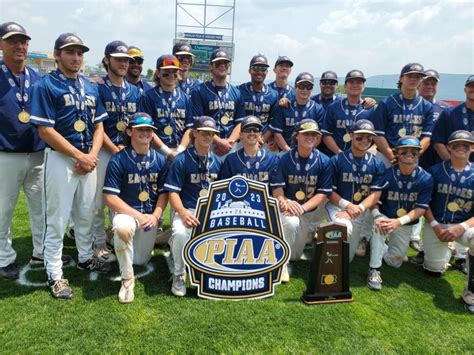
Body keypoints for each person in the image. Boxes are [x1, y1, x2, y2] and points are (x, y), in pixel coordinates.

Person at [30, 32, 111, 300]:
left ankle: (85, 257)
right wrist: (80, 156)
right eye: (69, 52)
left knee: (86, 214)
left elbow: (99, 125)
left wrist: (91, 156)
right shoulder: (46, 85)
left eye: (79, 53)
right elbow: (45, 131)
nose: (76, 57)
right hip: (61, 160)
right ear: (57, 55)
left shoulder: (90, 86)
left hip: (87, 160)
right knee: (58, 219)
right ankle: (54, 273)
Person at [103, 113, 168, 303]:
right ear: (130, 131)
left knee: (140, 260)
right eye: (140, 129)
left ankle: (161, 236)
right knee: (123, 229)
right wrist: (139, 216)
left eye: (149, 130)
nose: (145, 133)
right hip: (128, 214)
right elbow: (110, 198)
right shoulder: (118, 159)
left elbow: (164, 193)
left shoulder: (160, 160)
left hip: (150, 217)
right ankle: (127, 280)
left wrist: (156, 215)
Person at [0, 21, 45, 279]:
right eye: (12, 40)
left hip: (37, 154)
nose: (19, 46)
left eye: (23, 41)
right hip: (5, 155)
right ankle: (4, 258)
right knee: (3, 209)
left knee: (41, 207)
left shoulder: (37, 78)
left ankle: (41, 252)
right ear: (1, 44)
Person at [93, 40, 141, 263]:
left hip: (127, 153)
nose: (123, 63)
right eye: (119, 59)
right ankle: (98, 242)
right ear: (106, 60)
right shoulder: (97, 87)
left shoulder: (135, 91)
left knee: (122, 198)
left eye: (126, 60)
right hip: (105, 150)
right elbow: (96, 125)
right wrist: (113, 149)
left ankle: (116, 236)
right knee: (98, 201)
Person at [163, 116, 222, 296]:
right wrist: (182, 213)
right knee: (181, 233)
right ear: (194, 133)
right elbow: (172, 192)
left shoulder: (218, 161)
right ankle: (179, 275)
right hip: (186, 209)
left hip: (209, 211)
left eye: (211, 133)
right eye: (203, 132)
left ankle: (213, 271)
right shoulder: (181, 160)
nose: (207, 136)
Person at [368, 136, 433, 291]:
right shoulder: (386, 173)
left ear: (419, 153)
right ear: (396, 153)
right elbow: (374, 200)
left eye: (414, 151)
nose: (409, 154)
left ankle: (377, 245)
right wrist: (378, 216)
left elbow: (420, 209)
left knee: (395, 261)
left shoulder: (426, 178)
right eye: (404, 151)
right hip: (384, 216)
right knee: (380, 226)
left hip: (404, 222)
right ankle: (374, 269)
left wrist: (398, 222)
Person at [272, 119, 332, 280]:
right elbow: (277, 187)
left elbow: (322, 193)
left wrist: (303, 208)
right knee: (291, 224)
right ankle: (281, 264)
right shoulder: (283, 158)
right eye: (306, 134)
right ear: (296, 136)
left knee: (296, 255)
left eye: (314, 134)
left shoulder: (325, 161)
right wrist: (283, 201)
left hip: (307, 210)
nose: (310, 137)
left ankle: (289, 255)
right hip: (286, 209)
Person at [422, 130, 474, 313]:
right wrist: (435, 226)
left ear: (472, 148)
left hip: (463, 226)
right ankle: (448, 249)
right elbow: (423, 203)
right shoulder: (434, 171)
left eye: (466, 145)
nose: (461, 147)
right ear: (449, 147)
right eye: (456, 144)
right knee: (433, 270)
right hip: (436, 224)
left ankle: (471, 290)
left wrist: (461, 227)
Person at [326, 120, 386, 262]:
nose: (364, 140)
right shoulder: (336, 160)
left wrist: (357, 208)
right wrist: (348, 206)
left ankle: (376, 245)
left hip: (360, 209)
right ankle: (327, 253)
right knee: (343, 228)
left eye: (368, 137)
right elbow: (329, 191)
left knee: (348, 258)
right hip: (338, 207)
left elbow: (376, 194)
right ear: (351, 135)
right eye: (359, 136)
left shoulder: (377, 163)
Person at [371, 63, 434, 167]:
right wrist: (392, 156)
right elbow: (378, 134)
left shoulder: (427, 106)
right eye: (409, 76)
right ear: (401, 78)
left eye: (417, 77)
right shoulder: (387, 103)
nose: (413, 80)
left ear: (421, 80)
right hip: (387, 157)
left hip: (412, 157)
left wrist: (412, 157)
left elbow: (427, 138)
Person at [191, 49, 245, 159]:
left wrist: (229, 142)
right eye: (218, 63)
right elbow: (199, 123)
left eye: (225, 63)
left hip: (230, 145)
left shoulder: (237, 92)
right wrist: (220, 142)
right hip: (207, 144)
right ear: (210, 66)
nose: (222, 66)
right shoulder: (199, 91)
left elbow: (240, 123)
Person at [139, 54, 193, 160]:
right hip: (156, 151)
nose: (171, 75)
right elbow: (146, 129)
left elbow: (189, 128)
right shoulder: (148, 96)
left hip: (180, 151)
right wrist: (167, 152)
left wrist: (179, 151)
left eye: (175, 72)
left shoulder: (185, 98)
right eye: (166, 72)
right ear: (158, 73)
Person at [322, 69, 375, 157]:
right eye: (351, 82)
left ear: (363, 86)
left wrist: (360, 152)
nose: (355, 85)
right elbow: (326, 134)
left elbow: (374, 136)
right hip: (335, 156)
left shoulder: (369, 109)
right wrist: (340, 153)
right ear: (345, 86)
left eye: (358, 82)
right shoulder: (333, 107)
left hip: (359, 157)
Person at [270, 72, 324, 152]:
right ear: (295, 87)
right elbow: (277, 133)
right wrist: (289, 152)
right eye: (301, 86)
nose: (305, 90)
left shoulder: (318, 109)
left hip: (309, 152)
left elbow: (319, 135)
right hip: (285, 152)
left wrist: (306, 151)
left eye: (308, 87)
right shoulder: (284, 106)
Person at [432, 75, 474, 163]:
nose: (473, 89)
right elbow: (438, 142)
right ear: (465, 90)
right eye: (471, 86)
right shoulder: (449, 113)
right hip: (452, 168)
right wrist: (452, 164)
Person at [238, 54, 278, 142]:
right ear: (249, 70)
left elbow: (273, 121)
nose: (259, 72)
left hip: (262, 140)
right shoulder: (239, 91)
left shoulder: (273, 95)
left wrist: (262, 139)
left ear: (267, 72)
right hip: (241, 139)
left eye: (263, 69)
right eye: (256, 68)